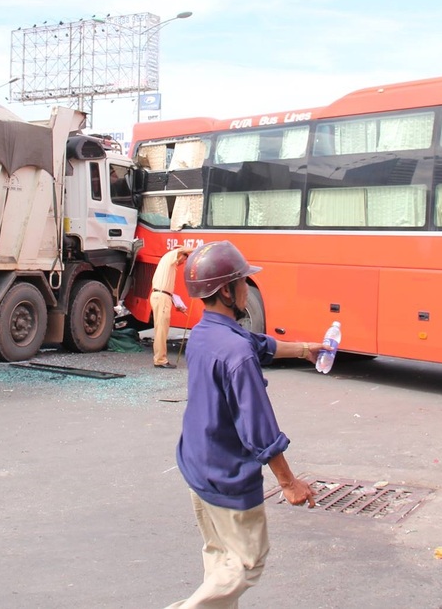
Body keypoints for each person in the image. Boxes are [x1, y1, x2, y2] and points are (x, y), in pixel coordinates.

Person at [164, 240, 323, 608]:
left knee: (220, 559)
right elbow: (259, 429)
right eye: (242, 282)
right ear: (226, 291)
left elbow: (260, 344)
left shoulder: (207, 333)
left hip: (196, 464)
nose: (248, 288)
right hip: (226, 475)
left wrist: (303, 349)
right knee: (246, 565)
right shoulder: (236, 354)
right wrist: (289, 482)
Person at [149, 246, 190, 368]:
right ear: (181, 255)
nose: (183, 262)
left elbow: (167, 290)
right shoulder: (170, 257)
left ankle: (159, 357)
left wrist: (176, 303)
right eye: (185, 259)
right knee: (161, 329)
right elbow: (182, 250)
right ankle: (160, 359)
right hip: (162, 297)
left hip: (162, 296)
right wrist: (200, 249)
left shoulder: (169, 265)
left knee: (160, 329)